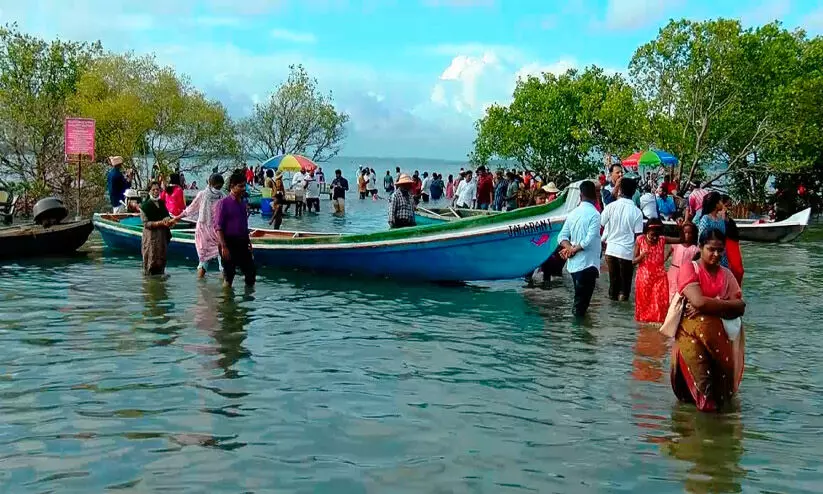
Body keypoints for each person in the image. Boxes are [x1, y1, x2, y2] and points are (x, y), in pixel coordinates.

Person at [668, 228, 746, 412]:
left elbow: (741, 307)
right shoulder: (690, 268)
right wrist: (723, 304)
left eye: (720, 250)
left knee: (720, 396)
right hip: (691, 337)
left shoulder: (726, 274)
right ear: (700, 247)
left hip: (720, 340)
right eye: (711, 249)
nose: (716, 254)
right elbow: (697, 301)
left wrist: (708, 305)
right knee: (702, 391)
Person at [558, 180, 601, 317]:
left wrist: (569, 248)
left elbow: (561, 237)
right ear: (595, 196)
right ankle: (579, 334)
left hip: (574, 264)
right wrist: (572, 249)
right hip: (588, 263)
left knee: (579, 299)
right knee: (581, 304)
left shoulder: (573, 213)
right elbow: (588, 240)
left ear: (580, 196)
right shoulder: (595, 215)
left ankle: (577, 333)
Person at [174, 173, 226, 278]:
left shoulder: (222, 196)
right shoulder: (203, 195)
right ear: (210, 184)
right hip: (204, 231)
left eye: (220, 187)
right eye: (217, 186)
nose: (218, 189)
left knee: (222, 261)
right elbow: (190, 209)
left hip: (217, 231)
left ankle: (222, 286)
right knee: (204, 260)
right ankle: (203, 288)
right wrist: (176, 218)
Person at [601, 177, 643, 301]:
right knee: (625, 289)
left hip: (611, 250)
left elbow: (601, 224)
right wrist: (637, 257)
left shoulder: (610, 207)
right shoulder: (637, 212)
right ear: (634, 192)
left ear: (619, 190)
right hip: (626, 253)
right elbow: (639, 237)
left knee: (613, 286)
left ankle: (611, 315)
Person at [633, 218, 682, 323]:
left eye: (656, 235)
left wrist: (680, 228)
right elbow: (633, 261)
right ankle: (645, 328)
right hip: (644, 278)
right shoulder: (640, 239)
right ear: (647, 232)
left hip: (660, 278)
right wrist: (641, 256)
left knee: (660, 303)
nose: (654, 238)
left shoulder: (662, 240)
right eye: (652, 235)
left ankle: (658, 326)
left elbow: (681, 240)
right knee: (644, 304)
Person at [215, 170, 256, 288]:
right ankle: (226, 302)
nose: (243, 188)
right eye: (240, 186)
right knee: (229, 275)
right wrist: (224, 247)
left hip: (242, 241)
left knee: (251, 273)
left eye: (245, 186)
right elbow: (218, 227)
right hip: (228, 242)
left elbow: (244, 225)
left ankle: (247, 302)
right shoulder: (223, 203)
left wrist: (248, 242)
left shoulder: (243, 204)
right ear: (232, 186)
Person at [140, 181, 177, 275]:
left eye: (158, 189)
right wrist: (160, 223)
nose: (156, 191)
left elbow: (166, 216)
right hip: (151, 237)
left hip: (162, 237)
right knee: (150, 260)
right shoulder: (145, 206)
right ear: (149, 191)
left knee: (161, 259)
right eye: (153, 190)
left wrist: (170, 222)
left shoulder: (161, 203)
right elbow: (146, 224)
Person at [668, 222, 699, 301]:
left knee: (681, 294)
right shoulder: (676, 244)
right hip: (673, 273)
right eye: (685, 233)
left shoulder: (695, 249)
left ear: (694, 234)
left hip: (685, 274)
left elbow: (695, 265)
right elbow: (665, 256)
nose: (687, 235)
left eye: (690, 233)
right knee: (669, 292)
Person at [697, 192, 729, 268]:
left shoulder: (721, 219)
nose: (722, 204)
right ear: (716, 204)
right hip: (710, 253)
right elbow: (700, 239)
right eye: (721, 201)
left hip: (721, 254)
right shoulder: (706, 218)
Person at [722, 195, 744, 286]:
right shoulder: (721, 217)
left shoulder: (729, 219)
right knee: (733, 270)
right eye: (727, 205)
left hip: (734, 244)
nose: (730, 207)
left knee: (739, 271)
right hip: (728, 243)